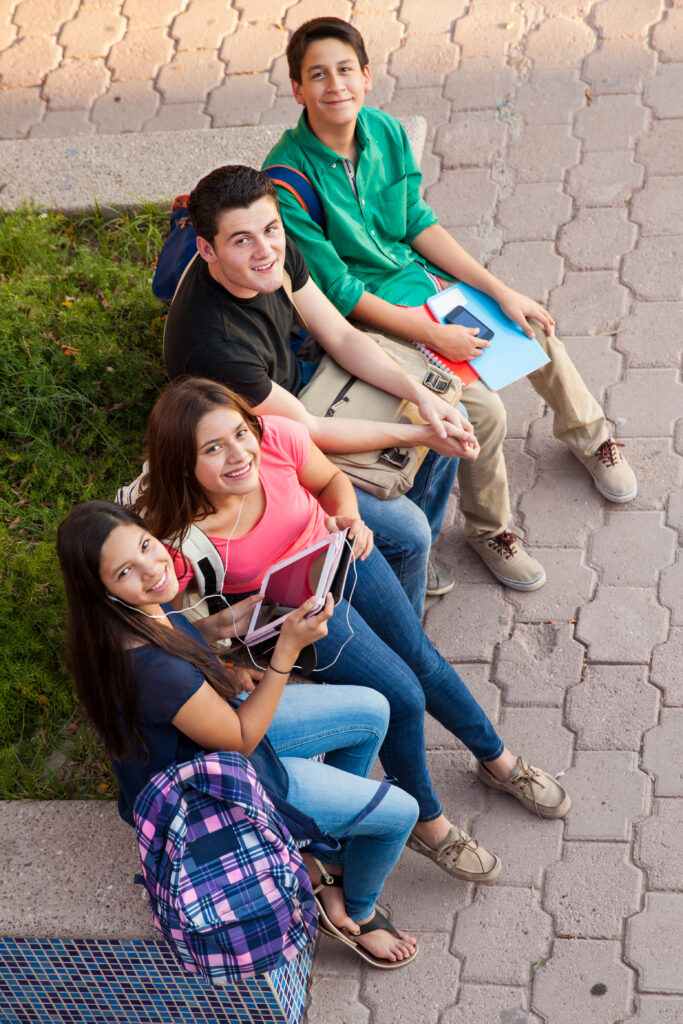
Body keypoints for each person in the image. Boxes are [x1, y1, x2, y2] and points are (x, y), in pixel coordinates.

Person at [134, 377, 572, 887]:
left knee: (421, 657)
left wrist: (348, 517)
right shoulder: (181, 536)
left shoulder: (276, 438)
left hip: (343, 555)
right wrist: (219, 643)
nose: (238, 455)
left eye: (239, 434)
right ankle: (428, 824)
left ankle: (499, 762)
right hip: (306, 615)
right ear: (183, 464)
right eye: (213, 449)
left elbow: (329, 482)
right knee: (403, 697)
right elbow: (163, 623)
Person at [262, 15, 637, 592]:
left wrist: (498, 289)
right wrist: (435, 337)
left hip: (425, 288)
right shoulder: (287, 180)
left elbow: (417, 224)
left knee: (532, 329)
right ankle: (490, 530)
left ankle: (590, 437)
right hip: (377, 321)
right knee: (482, 409)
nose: (334, 85)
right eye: (317, 75)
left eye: (344, 71)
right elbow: (340, 295)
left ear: (366, 76)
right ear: (297, 89)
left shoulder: (384, 131)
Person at [56, 499, 423, 968]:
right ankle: (357, 910)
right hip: (224, 786)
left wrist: (220, 626)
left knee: (372, 709)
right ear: (103, 590)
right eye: (126, 570)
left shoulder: (130, 613)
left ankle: (323, 859)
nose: (152, 569)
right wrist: (285, 650)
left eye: (146, 545)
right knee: (401, 813)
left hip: (217, 737)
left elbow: (176, 634)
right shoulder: (151, 672)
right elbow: (242, 738)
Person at [162, 164, 482, 616]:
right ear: (206, 249)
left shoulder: (274, 252)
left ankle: (406, 557)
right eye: (241, 240)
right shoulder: (214, 346)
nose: (264, 250)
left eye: (270, 228)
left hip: (303, 385)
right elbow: (305, 432)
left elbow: (341, 336)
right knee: (409, 529)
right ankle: (403, 604)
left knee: (446, 411)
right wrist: (419, 433)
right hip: (261, 448)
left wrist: (422, 399)